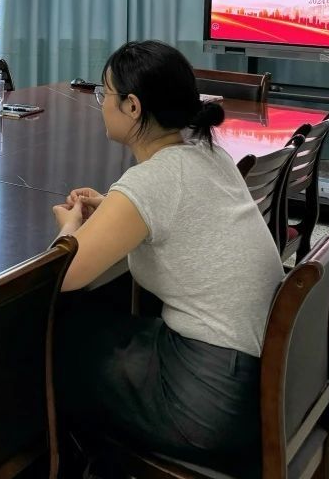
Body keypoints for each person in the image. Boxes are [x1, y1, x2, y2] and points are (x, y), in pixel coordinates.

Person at [50, 40, 284, 477]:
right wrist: (116, 208)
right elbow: (174, 213)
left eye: (105, 93)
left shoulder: (151, 181)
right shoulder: (211, 155)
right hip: (254, 376)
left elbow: (62, 274)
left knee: (51, 344)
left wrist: (70, 226)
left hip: (206, 398)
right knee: (91, 325)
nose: (102, 104)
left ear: (132, 106)